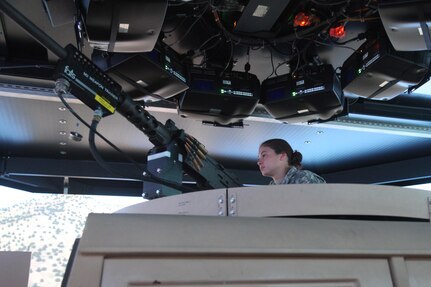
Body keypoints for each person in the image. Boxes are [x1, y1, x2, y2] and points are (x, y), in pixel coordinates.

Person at [257, 138, 326, 184]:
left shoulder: (304, 178)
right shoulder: (272, 187)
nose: (259, 162)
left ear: (282, 156)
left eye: (264, 155)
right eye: (258, 158)